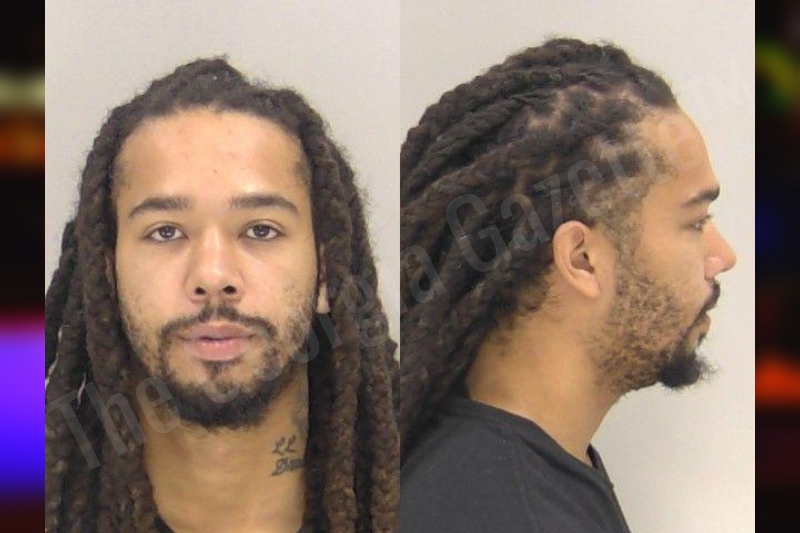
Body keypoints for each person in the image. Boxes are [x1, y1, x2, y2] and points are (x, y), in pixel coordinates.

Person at [45, 59, 399, 533]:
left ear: (325, 273)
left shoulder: (436, 491)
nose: (213, 276)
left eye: (261, 230)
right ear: (107, 276)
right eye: (166, 231)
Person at [399, 38, 737, 532]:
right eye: (696, 221)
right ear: (582, 258)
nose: (723, 256)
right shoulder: (512, 514)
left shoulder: (508, 467)